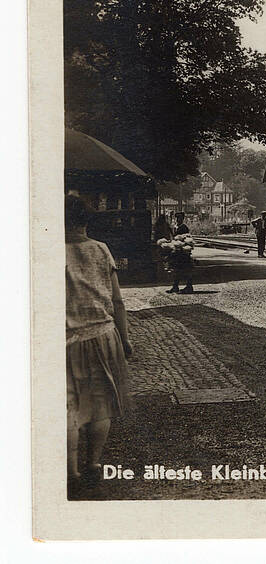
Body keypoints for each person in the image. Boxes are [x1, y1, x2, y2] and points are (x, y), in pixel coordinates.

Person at [65, 194, 133, 490]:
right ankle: (93, 462)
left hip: (65, 338)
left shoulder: (48, 251)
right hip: (103, 335)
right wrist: (126, 339)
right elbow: (117, 301)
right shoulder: (101, 250)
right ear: (86, 220)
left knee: (67, 406)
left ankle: (71, 472)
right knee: (100, 403)